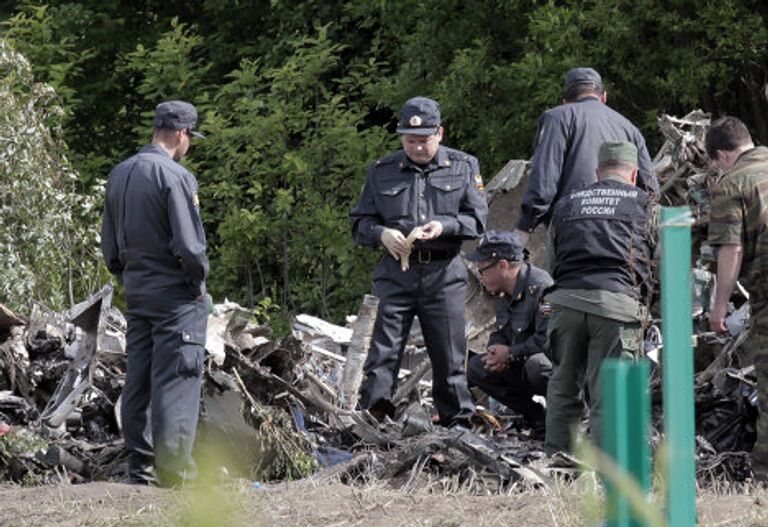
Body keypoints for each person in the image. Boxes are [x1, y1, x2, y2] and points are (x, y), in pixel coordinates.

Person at [350, 96, 488, 426]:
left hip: (444, 270)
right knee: (383, 350)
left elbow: (478, 222)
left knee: (449, 353)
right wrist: (381, 233)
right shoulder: (382, 171)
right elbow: (359, 224)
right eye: (410, 141)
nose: (418, 147)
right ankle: (374, 418)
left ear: (439, 133)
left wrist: (445, 226)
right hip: (397, 270)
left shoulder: (463, 166)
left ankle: (457, 423)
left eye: (424, 140)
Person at [101, 100, 209, 486]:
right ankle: (175, 473)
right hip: (175, 295)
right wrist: (197, 285)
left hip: (138, 291)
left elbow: (109, 246)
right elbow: (190, 246)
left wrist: (128, 278)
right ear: (181, 134)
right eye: (190, 138)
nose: (189, 144)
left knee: (140, 378)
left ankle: (140, 467)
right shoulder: (175, 177)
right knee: (178, 378)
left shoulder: (119, 174)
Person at [544, 141, 654, 454]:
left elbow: (551, 264)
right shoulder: (646, 204)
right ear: (633, 173)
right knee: (611, 395)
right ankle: (612, 472)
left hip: (565, 304)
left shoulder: (567, 204)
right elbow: (659, 262)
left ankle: (560, 466)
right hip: (617, 308)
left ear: (598, 172)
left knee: (563, 388)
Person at [514, 67, 658, 250]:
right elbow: (651, 190)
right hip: (623, 234)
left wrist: (525, 226)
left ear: (566, 101)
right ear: (604, 97)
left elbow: (545, 179)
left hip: (574, 226)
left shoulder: (557, 118)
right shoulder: (629, 128)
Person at [707, 116, 768, 481]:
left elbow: (731, 249)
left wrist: (719, 307)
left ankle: (764, 479)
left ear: (721, 156)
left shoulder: (732, 183)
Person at [465, 230, 553, 438]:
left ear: (503, 265)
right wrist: (495, 350)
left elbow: (548, 341)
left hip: (553, 367)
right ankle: (537, 419)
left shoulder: (543, 288)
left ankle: (564, 419)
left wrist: (511, 353)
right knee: (478, 366)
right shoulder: (502, 290)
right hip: (519, 361)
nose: (480, 276)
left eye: (483, 270)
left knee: (536, 365)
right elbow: (502, 331)